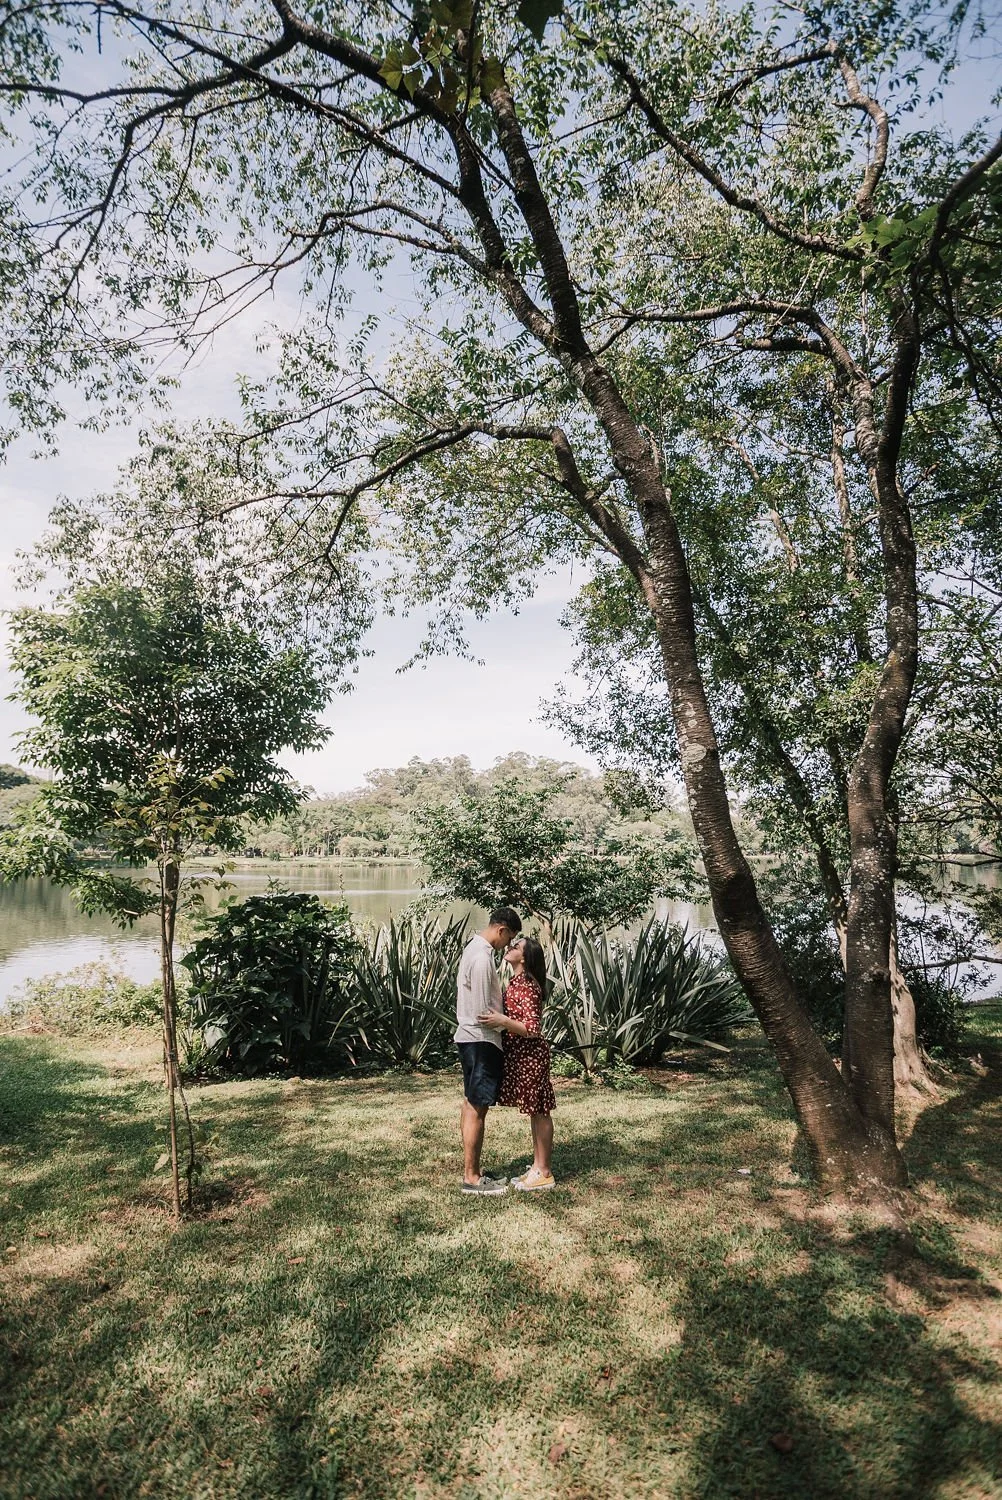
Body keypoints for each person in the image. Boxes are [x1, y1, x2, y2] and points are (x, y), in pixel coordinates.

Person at [479, 934, 556, 1191]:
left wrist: (501, 1021)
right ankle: (537, 1167)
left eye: (516, 946)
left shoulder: (528, 986)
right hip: (521, 1057)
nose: (509, 947)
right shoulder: (516, 981)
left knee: (540, 1111)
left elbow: (533, 1029)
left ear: (524, 956)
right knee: (535, 1112)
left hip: (531, 1056)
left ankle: (544, 1171)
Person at [454, 906, 522, 1194]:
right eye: (510, 938)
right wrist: (509, 1025)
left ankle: (474, 1169)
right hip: (480, 1040)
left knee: (472, 1103)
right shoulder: (482, 958)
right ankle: (471, 1177)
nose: (508, 944)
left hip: (471, 1038)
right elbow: (485, 1012)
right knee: (478, 1106)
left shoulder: (474, 949)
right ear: (501, 929)